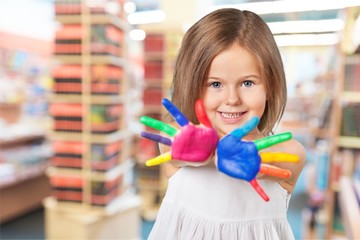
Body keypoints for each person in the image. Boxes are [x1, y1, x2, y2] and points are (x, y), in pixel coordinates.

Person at [144, 8, 306, 240]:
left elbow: (290, 156)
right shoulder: (181, 145)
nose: (232, 99)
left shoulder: (286, 154)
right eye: (215, 84)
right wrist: (207, 151)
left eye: (248, 83)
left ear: (271, 87)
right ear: (192, 84)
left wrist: (249, 158)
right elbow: (172, 146)